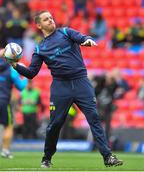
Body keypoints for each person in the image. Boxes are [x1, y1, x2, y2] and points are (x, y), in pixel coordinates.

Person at [0, 11, 123, 167]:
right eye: (46, 19)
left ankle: (108, 157)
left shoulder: (66, 32)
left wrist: (87, 40)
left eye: (51, 17)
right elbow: (31, 73)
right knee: (55, 124)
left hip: (81, 83)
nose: (50, 20)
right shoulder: (40, 48)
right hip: (60, 87)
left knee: (94, 119)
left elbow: (83, 38)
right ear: (39, 25)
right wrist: (15, 65)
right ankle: (47, 158)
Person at [0, 58, 28, 158]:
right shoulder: (11, 71)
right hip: (3, 102)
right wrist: (26, 76)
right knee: (9, 126)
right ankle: (5, 150)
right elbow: (20, 86)